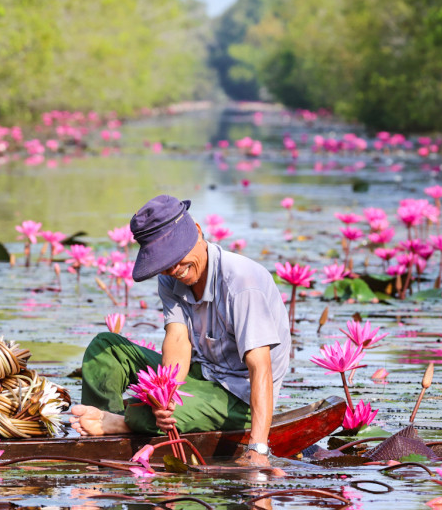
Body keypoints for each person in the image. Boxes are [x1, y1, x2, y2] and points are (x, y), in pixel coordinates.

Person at [70, 194, 290, 467]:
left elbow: (261, 367)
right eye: (164, 263)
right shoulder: (170, 276)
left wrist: (258, 448)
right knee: (105, 348)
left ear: (197, 230)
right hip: (201, 373)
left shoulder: (242, 282)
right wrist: (167, 394)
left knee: (144, 414)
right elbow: (177, 339)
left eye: (177, 257)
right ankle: (106, 427)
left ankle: (119, 423)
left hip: (238, 397)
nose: (175, 269)